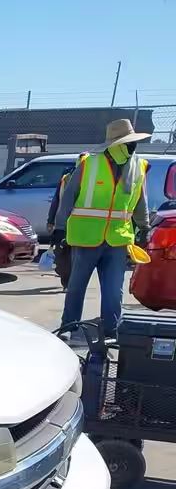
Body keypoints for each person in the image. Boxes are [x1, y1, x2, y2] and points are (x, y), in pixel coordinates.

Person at [54, 119, 151, 341]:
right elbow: (68, 196)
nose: (132, 148)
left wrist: (144, 228)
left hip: (117, 240)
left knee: (113, 291)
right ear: (115, 145)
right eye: (128, 144)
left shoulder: (139, 167)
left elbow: (140, 202)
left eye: (133, 143)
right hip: (86, 238)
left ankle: (111, 330)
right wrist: (60, 228)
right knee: (76, 287)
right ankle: (69, 326)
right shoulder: (89, 164)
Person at [46, 154, 87, 290]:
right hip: (65, 225)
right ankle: (67, 281)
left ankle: (70, 282)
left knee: (73, 257)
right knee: (64, 256)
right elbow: (57, 200)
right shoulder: (66, 179)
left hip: (78, 225)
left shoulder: (91, 181)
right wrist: (51, 220)